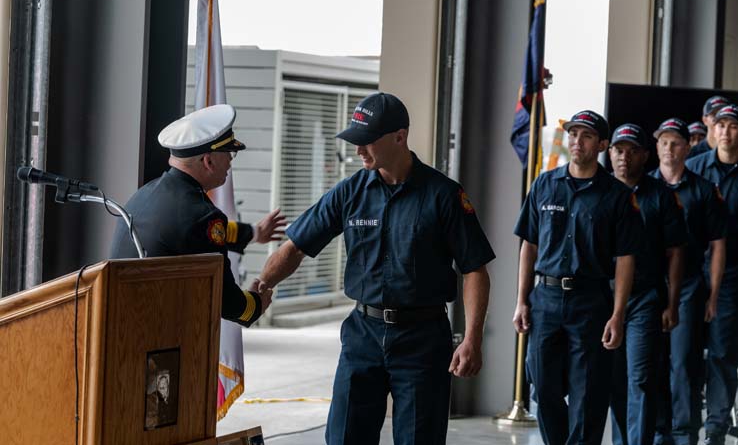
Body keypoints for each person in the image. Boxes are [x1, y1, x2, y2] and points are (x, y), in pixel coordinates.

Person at [249, 92, 495, 445]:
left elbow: (475, 269)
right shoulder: (350, 192)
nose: (359, 150)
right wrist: (262, 284)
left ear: (400, 136)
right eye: (355, 141)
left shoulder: (444, 196)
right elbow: (296, 246)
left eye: (367, 141)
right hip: (362, 334)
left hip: (422, 339)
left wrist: (472, 338)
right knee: (345, 437)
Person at [513, 110, 643, 445]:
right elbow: (529, 244)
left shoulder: (616, 195)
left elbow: (626, 259)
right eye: (573, 134)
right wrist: (521, 300)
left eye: (586, 136)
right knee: (542, 386)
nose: (577, 141)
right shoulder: (544, 184)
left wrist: (618, 314)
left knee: (588, 394)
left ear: (601, 144)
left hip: (591, 302)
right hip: (545, 300)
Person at [110, 104, 286, 327]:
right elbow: (228, 302)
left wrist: (253, 232)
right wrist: (255, 304)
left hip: (125, 322)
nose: (231, 162)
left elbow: (197, 236)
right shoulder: (201, 215)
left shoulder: (146, 193)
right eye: (229, 154)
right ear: (208, 161)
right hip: (159, 335)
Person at [606, 123, 687, 445]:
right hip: (604, 299)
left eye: (632, 151)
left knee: (640, 378)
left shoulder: (661, 196)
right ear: (609, 153)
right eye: (618, 150)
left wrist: (672, 302)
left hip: (645, 299)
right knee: (614, 380)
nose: (624, 157)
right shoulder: (601, 191)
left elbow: (676, 252)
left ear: (644, 155)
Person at [650, 118, 726, 445]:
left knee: (683, 364)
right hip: (650, 287)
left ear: (688, 147)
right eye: (663, 142)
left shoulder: (703, 189)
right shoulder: (644, 186)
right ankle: (658, 430)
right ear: (656, 147)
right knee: (652, 362)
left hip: (690, 287)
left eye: (676, 142)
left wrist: (713, 296)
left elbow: (718, 243)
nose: (669, 148)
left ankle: (683, 434)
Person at [686, 104, 738, 445]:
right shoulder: (694, 168)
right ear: (711, 129)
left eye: (733, 126)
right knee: (684, 351)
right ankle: (686, 423)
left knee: (722, 351)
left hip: (733, 273)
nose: (726, 132)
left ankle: (716, 427)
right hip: (689, 272)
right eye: (721, 125)